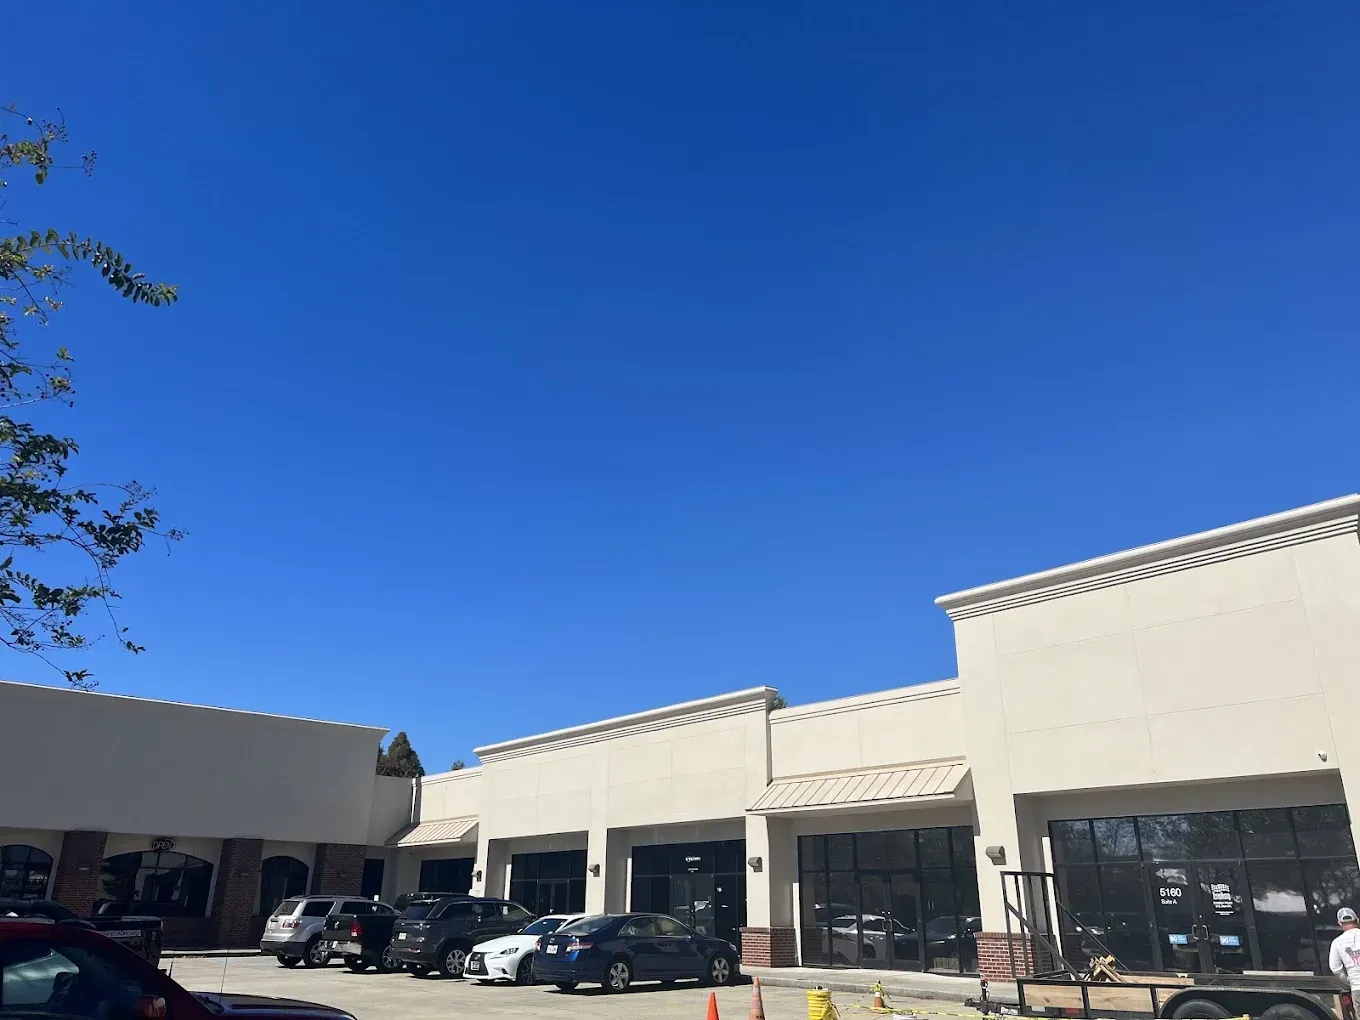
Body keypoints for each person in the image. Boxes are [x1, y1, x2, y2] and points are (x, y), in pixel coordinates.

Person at [1329, 907, 1360, 990]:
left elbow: (1335, 968)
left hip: (1357, 986)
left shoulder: (1337, 942)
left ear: (1339, 923)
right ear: (1357, 920)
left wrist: (1350, 981)